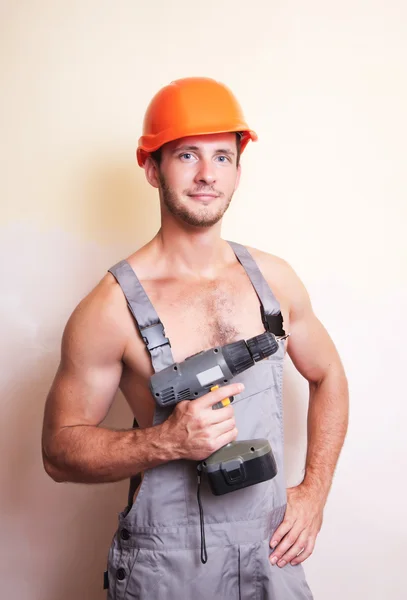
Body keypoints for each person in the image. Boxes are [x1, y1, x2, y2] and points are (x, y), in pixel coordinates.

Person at [42, 77, 349, 599]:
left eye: (222, 157)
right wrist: (162, 441)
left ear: (237, 169)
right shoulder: (109, 308)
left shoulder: (275, 280)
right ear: (151, 167)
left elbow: (330, 377)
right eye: (187, 155)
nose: (207, 175)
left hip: (270, 551)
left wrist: (313, 493)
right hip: (167, 567)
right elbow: (58, 451)